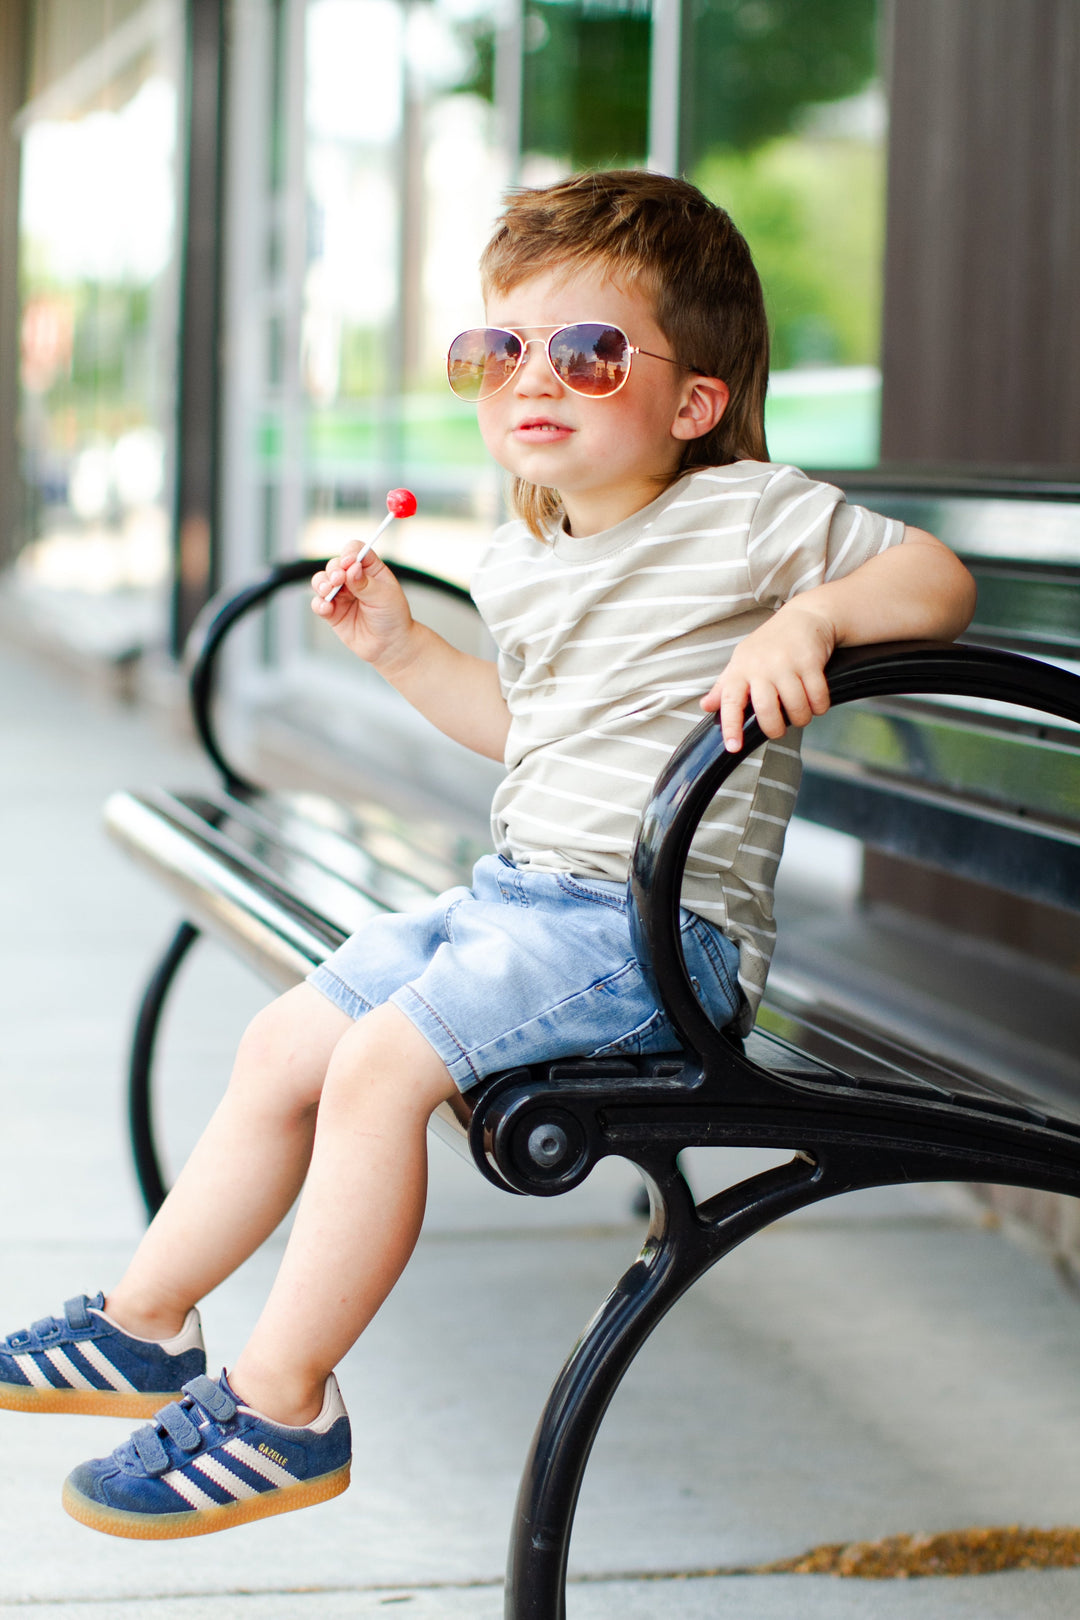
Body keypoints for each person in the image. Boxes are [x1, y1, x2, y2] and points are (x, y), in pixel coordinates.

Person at [0, 171, 976, 1540]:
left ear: (693, 401)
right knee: (290, 1040)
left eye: (586, 353)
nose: (534, 379)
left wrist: (810, 620)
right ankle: (143, 1325)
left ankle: (283, 1406)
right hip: (522, 905)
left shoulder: (752, 516)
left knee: (384, 1067)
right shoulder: (528, 558)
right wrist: (404, 650)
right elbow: (522, 733)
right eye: (497, 350)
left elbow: (936, 580)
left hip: (658, 937)